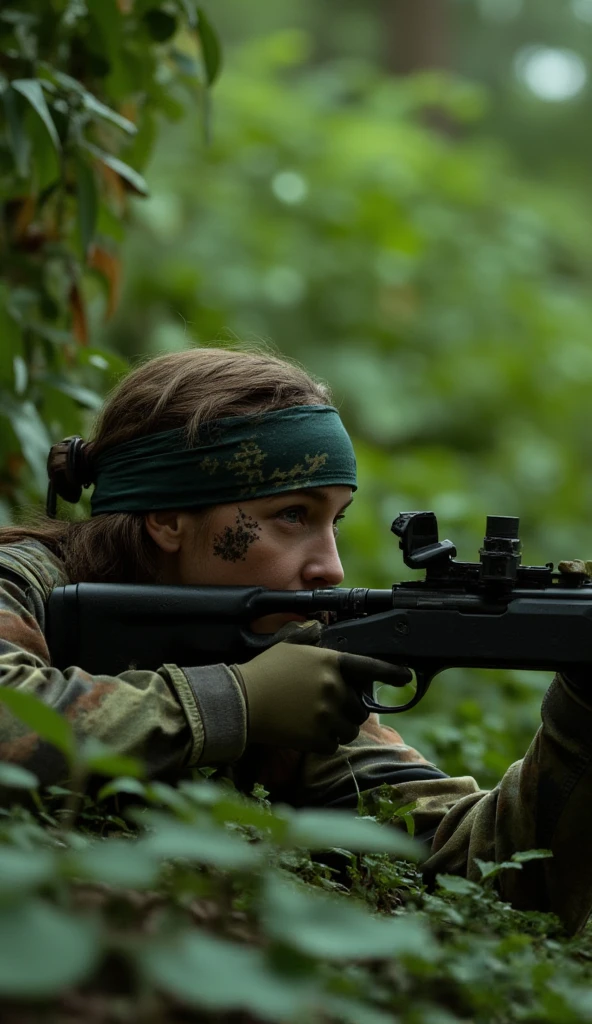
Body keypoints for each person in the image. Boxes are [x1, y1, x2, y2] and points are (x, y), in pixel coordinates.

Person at [0, 347, 590, 934]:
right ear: (167, 519)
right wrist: (238, 703)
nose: (331, 568)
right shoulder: (23, 584)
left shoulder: (275, 662)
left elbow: (496, 882)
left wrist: (581, 715)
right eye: (292, 515)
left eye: (334, 520)